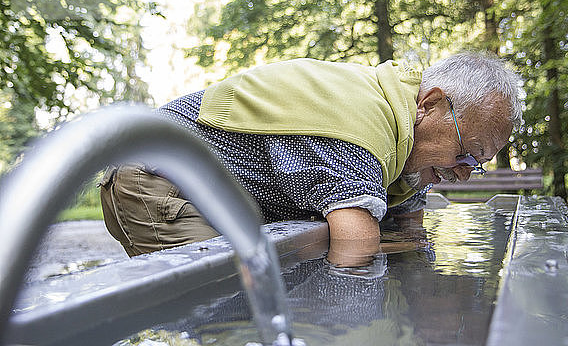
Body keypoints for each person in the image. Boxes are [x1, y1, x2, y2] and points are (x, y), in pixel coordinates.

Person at [99, 52, 522, 262]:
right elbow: (358, 246)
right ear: (430, 104)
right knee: (231, 301)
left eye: (477, 163)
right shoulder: (361, 121)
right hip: (158, 178)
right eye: (466, 152)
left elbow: (409, 234)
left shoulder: (406, 150)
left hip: (217, 192)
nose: (464, 175)